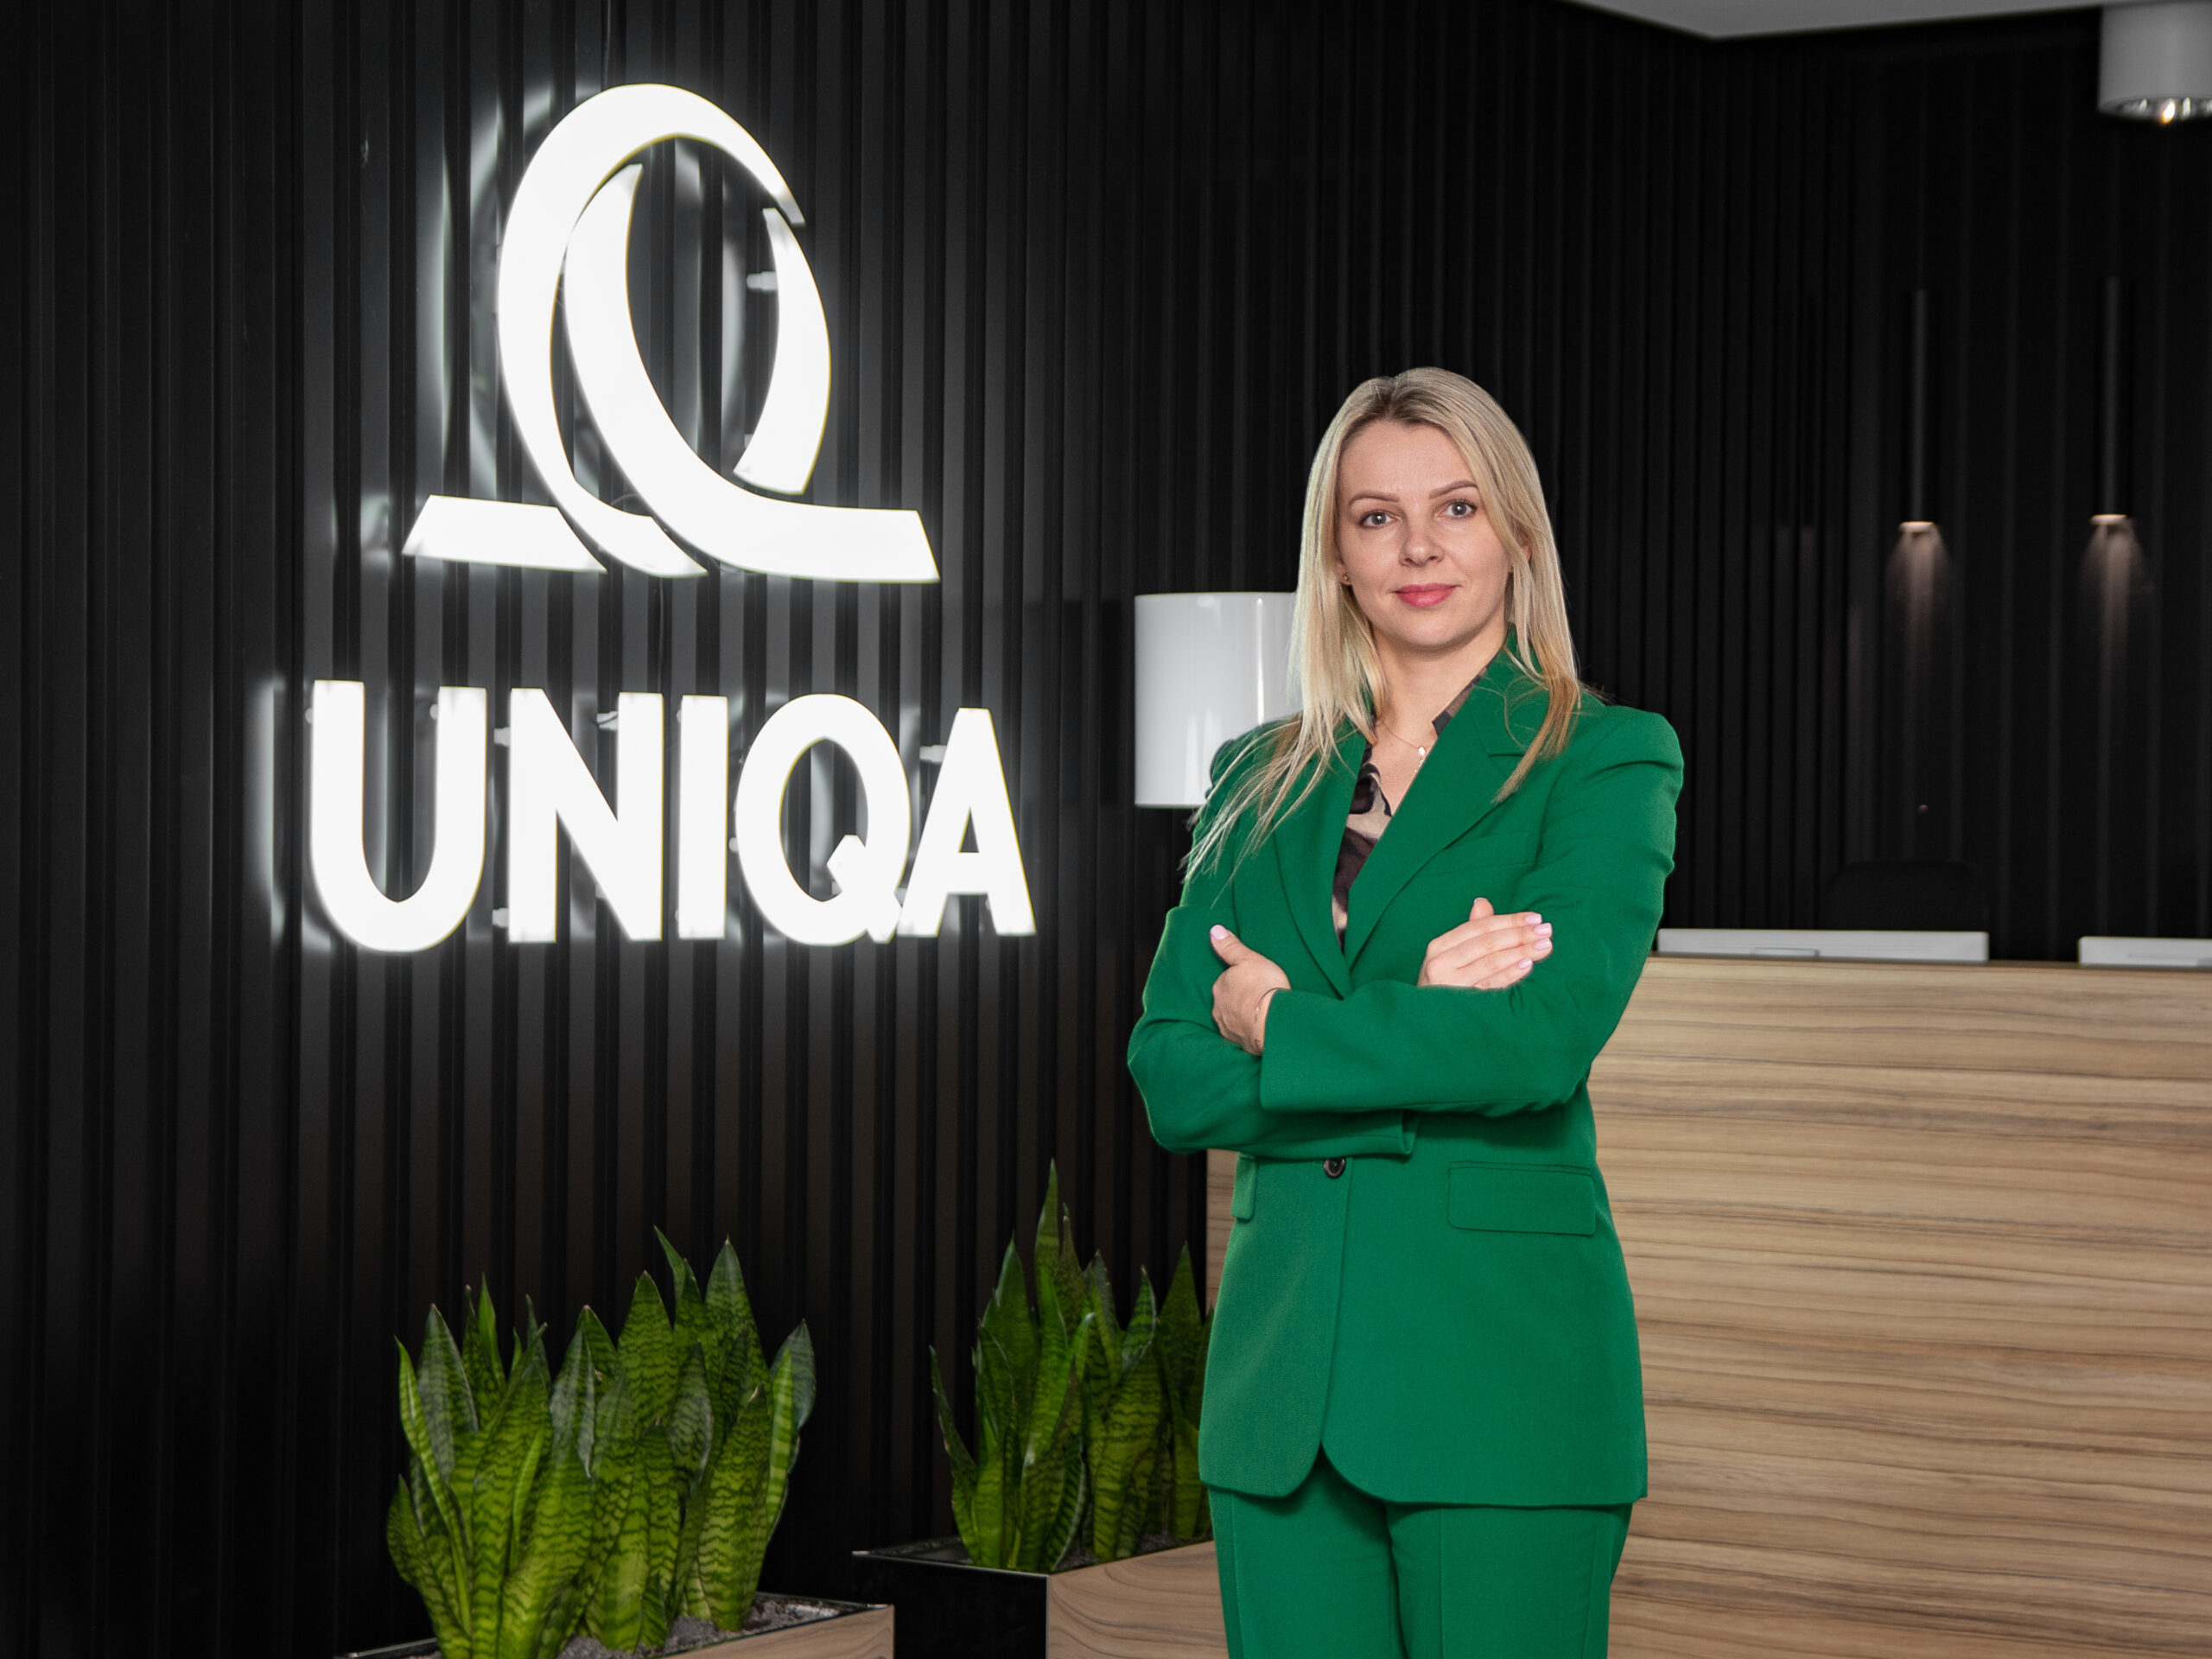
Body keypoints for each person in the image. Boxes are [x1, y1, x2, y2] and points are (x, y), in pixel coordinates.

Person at [1127, 368, 1681, 1659]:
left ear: (1517, 534)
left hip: (1500, 1381)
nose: (1419, 548)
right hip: (1283, 1395)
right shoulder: (1256, 778)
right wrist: (1420, 1023)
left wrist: (1285, 1027)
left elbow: (1538, 1044)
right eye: (1377, 517)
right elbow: (1170, 1071)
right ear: (1336, 552)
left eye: (1457, 508)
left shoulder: (1603, 759)